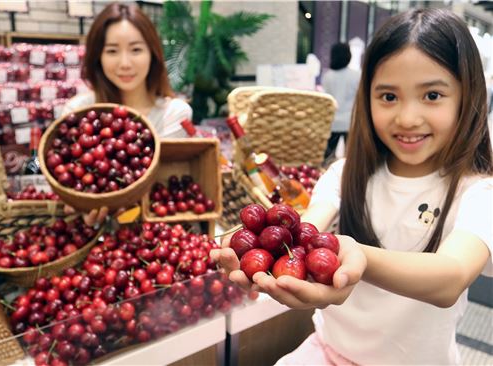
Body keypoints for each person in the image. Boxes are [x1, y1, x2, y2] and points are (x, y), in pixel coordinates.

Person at [211, 8, 492, 365]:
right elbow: (306, 228)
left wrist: (358, 255)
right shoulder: (345, 174)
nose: (407, 117)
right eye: (388, 97)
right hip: (330, 353)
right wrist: (272, 251)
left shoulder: (479, 193)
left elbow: (450, 277)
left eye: (432, 96)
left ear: (468, 98)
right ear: (367, 97)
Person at [62, 2, 192, 224]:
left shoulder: (175, 114)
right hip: (98, 245)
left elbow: (163, 186)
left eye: (135, 49)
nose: (124, 63)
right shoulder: (77, 112)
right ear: (97, 56)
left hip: (159, 235)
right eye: (112, 50)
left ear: (153, 53)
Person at [321, 43, 360, 161]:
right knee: (352, 158)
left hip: (333, 122)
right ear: (349, 55)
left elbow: (326, 99)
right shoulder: (356, 75)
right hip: (351, 121)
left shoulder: (327, 76)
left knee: (327, 157)